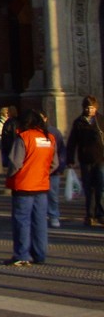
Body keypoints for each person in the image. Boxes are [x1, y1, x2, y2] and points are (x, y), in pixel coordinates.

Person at [7, 109, 57, 266]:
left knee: (22, 221)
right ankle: (40, 254)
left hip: (23, 185)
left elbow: (15, 162)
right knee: (40, 222)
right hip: (41, 185)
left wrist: (10, 176)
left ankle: (22, 254)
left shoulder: (24, 137)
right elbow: (54, 163)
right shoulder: (49, 138)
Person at [66, 94, 104, 227]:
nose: (90, 110)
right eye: (87, 108)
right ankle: (90, 215)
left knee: (101, 187)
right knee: (89, 189)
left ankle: (101, 214)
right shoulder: (78, 122)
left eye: (92, 108)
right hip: (85, 159)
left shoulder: (101, 120)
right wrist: (70, 158)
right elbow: (72, 142)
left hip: (101, 159)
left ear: (96, 107)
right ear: (84, 108)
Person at [40, 110, 66, 228]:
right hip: (38, 170)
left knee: (53, 194)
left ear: (46, 118)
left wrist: (61, 165)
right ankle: (41, 216)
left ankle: (54, 216)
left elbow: (61, 149)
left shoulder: (54, 132)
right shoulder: (32, 132)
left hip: (52, 170)